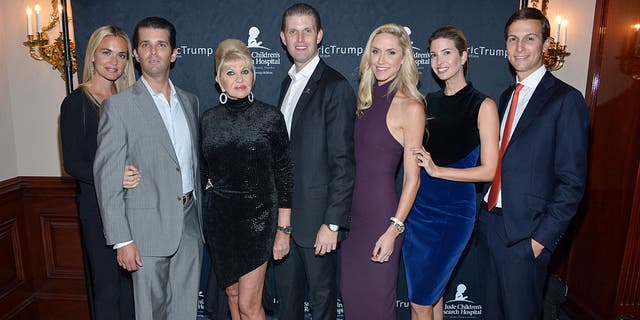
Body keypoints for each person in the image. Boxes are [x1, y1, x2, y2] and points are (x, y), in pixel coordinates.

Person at [477, 8, 589, 319]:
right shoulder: (504, 97)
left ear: (545, 45)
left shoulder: (566, 100)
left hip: (526, 235)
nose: (520, 47)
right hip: (490, 225)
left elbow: (573, 182)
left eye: (529, 38)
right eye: (513, 39)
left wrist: (539, 242)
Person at [93, 16, 204, 320]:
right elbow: (106, 177)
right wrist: (122, 240)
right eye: (146, 45)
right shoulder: (119, 106)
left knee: (185, 313)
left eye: (161, 45)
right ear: (137, 54)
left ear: (174, 53)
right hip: (144, 231)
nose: (154, 52)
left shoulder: (190, 101)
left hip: (190, 225)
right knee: (151, 314)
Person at [404, 26, 499, 320]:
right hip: (419, 211)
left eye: (447, 53)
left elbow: (490, 170)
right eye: (433, 54)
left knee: (420, 302)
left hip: (454, 213)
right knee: (431, 298)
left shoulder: (483, 105)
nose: (439, 61)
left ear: (464, 56)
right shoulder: (425, 103)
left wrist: (438, 170)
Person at [273, 3, 356, 320]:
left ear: (320, 35)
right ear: (282, 38)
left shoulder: (335, 87)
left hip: (319, 224)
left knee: (322, 307)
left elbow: (344, 163)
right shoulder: (287, 85)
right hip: (287, 223)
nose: (300, 38)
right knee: (288, 305)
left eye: (307, 30)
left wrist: (332, 223)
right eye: (292, 31)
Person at [200, 38, 293, 320]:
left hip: (258, 222)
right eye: (230, 72)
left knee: (249, 305)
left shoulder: (270, 117)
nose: (239, 79)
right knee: (232, 295)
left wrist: (283, 230)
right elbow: (204, 171)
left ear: (253, 75)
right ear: (218, 79)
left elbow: (285, 175)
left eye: (245, 71)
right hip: (221, 222)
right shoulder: (208, 119)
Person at [340, 23, 425, 319]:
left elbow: (412, 180)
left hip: (382, 219)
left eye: (390, 53)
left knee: (377, 308)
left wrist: (394, 229)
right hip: (352, 221)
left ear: (403, 58)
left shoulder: (411, 107)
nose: (381, 60)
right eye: (376, 52)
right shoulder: (362, 100)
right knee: (352, 305)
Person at [60, 25, 138, 320]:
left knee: (133, 289)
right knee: (108, 290)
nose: (113, 61)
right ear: (92, 55)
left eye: (120, 55)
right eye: (106, 52)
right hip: (96, 209)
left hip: (133, 207)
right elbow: (73, 163)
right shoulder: (76, 102)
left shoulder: (131, 99)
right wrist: (114, 176)